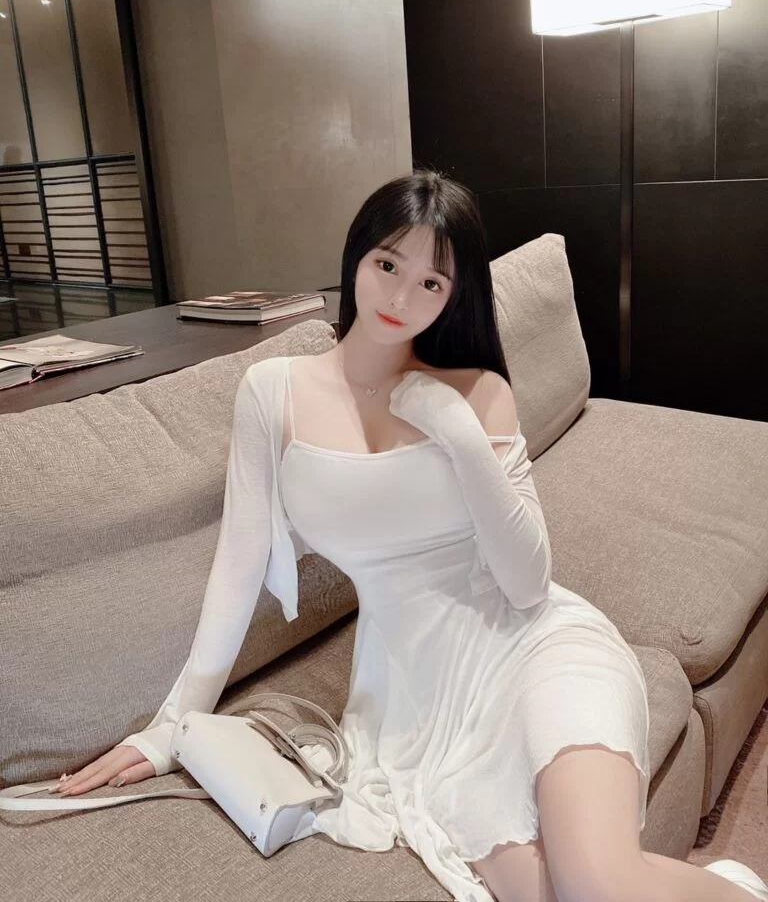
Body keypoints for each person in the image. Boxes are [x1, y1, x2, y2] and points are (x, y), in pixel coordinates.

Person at [54, 170, 767, 902]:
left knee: (598, 881)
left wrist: (458, 433)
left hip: (537, 649)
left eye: (432, 282)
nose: (401, 297)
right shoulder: (272, 392)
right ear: (356, 257)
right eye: (388, 265)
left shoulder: (478, 391)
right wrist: (175, 725)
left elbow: (527, 584)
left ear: (454, 295)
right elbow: (237, 568)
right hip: (413, 704)